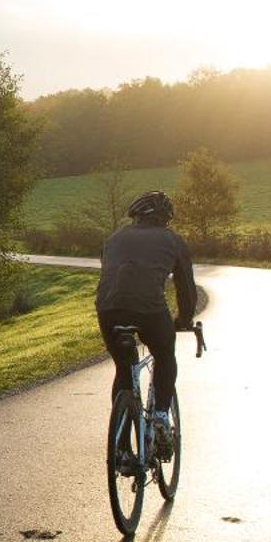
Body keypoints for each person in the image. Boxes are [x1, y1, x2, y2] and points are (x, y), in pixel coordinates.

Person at [96, 190, 196, 462]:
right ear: (166, 219)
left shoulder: (114, 238)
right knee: (164, 356)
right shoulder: (173, 240)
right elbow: (186, 287)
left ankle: (122, 448)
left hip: (109, 308)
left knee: (124, 368)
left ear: (136, 215)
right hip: (150, 309)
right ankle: (162, 416)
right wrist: (184, 319)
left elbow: (110, 271)